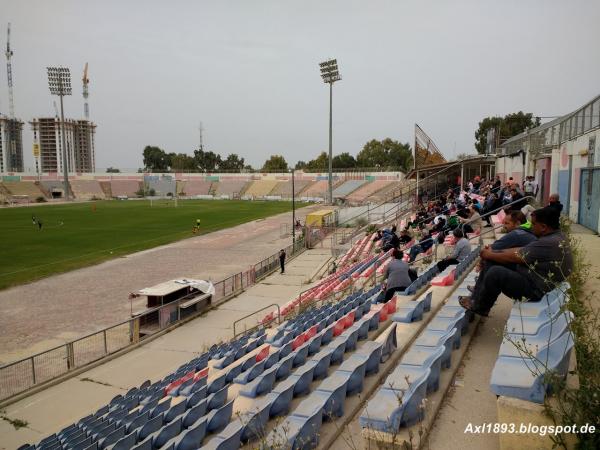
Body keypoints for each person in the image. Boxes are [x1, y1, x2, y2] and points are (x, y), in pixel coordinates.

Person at [458, 207, 573, 316]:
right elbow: (521, 250)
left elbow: (518, 256)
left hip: (537, 290)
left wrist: (490, 254)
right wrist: (493, 254)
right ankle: (476, 298)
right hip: (534, 277)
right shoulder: (555, 237)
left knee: (496, 273)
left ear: (543, 227)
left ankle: (480, 307)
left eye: (533, 224)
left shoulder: (549, 243)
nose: (531, 227)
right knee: (492, 261)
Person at [467, 211, 537, 294]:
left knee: (491, 261)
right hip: (528, 270)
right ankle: (480, 286)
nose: (504, 226)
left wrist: (481, 263)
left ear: (517, 223)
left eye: (507, 223)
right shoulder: (527, 229)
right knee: (493, 258)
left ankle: (477, 295)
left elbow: (492, 249)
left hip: (526, 275)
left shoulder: (516, 234)